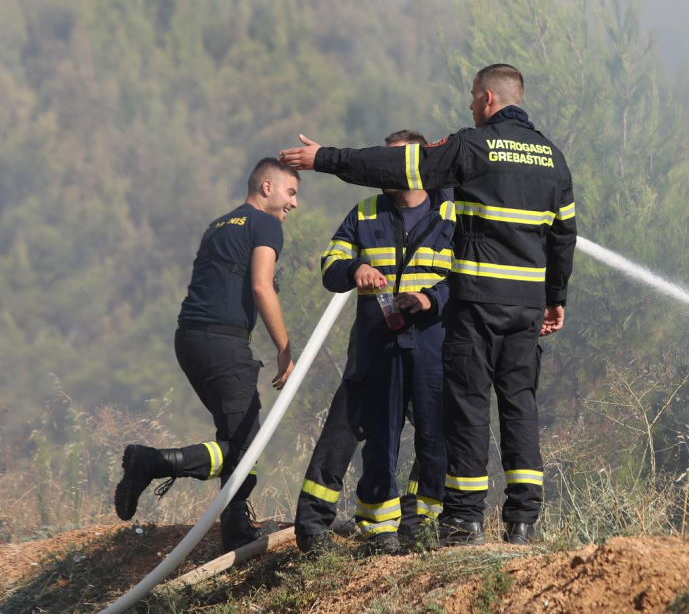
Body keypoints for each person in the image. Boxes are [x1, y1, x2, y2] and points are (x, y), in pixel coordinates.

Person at [280, 63, 576, 546]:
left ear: (487, 98)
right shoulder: (554, 158)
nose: (470, 106)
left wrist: (325, 158)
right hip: (523, 306)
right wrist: (555, 298)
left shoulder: (472, 147)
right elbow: (564, 236)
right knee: (520, 407)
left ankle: (465, 520)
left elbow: (395, 166)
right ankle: (523, 521)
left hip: (476, 304)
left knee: (468, 409)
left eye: (472, 98)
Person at [113, 158, 299, 552]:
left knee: (237, 439)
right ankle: (152, 463)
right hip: (223, 344)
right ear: (266, 187)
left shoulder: (218, 225)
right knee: (245, 446)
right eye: (291, 192)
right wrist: (285, 349)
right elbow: (262, 287)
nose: (294, 203)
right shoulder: (266, 224)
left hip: (189, 340)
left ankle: (234, 525)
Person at [294, 130, 455, 556]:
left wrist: (431, 298)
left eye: (393, 161)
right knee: (377, 439)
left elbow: (471, 277)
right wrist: (355, 270)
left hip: (433, 346)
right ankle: (378, 531)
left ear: (417, 165)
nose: (384, 169)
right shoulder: (364, 213)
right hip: (376, 347)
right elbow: (331, 265)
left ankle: (420, 524)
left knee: (436, 438)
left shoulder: (454, 214)